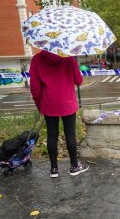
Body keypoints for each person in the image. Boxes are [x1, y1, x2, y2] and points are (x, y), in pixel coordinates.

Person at [30, 50, 88, 178]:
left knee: (52, 136)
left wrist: (39, 103)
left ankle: (54, 169)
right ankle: (74, 167)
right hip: (67, 103)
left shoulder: (36, 59)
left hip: (48, 103)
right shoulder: (69, 57)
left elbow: (34, 87)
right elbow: (78, 80)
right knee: (70, 135)